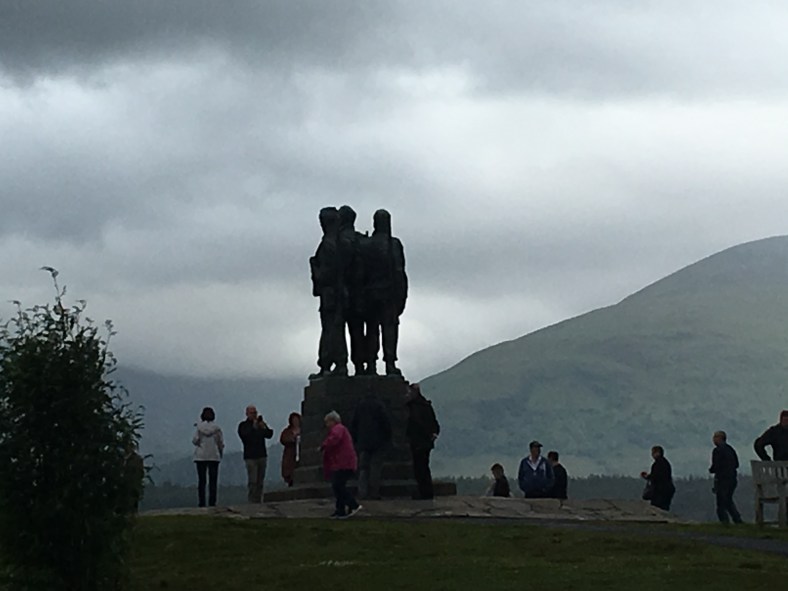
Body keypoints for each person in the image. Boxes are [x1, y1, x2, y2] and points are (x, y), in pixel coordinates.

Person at [361, 209, 408, 376]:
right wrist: (401, 296)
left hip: (370, 294)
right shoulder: (394, 244)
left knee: (371, 329)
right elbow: (399, 271)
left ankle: (371, 364)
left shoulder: (365, 245)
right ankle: (390, 363)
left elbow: (360, 273)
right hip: (388, 294)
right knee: (389, 329)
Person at [309, 207, 349, 379]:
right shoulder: (340, 243)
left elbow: (327, 274)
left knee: (332, 330)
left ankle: (332, 364)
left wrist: (314, 267)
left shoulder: (328, 244)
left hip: (332, 295)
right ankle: (334, 364)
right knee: (335, 329)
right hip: (337, 294)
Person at [350, 392, 392, 500]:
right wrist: (386, 438)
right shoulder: (379, 406)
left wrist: (355, 439)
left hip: (363, 442)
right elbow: (386, 423)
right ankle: (374, 493)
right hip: (377, 442)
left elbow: (354, 424)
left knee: (363, 468)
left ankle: (362, 492)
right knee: (375, 468)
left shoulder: (360, 406)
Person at [320, 411, 361, 518]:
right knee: (338, 486)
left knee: (338, 486)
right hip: (341, 462)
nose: (326, 425)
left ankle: (353, 505)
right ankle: (340, 510)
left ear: (333, 421)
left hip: (343, 463)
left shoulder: (338, 428)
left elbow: (334, 439)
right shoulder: (340, 429)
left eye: (327, 422)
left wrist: (324, 445)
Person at [406, 383, 440, 500]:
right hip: (424, 443)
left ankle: (424, 493)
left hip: (418, 443)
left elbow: (415, 425)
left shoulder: (413, 408)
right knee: (423, 467)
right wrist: (433, 434)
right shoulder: (426, 406)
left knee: (420, 469)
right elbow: (435, 424)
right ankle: (426, 492)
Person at [237, 405, 273, 503]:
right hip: (250, 457)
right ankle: (252, 501)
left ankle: (259, 500)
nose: (254, 415)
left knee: (260, 481)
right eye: (252, 413)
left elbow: (269, 434)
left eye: (255, 413)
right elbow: (245, 435)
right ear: (247, 414)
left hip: (262, 455)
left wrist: (263, 427)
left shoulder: (260, 425)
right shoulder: (243, 425)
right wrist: (254, 427)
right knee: (253, 481)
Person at [192, 407, 224, 508]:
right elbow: (220, 442)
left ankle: (202, 502)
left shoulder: (199, 428)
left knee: (202, 481)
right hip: (213, 455)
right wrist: (220, 452)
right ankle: (212, 502)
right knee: (213, 480)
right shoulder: (217, 428)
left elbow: (195, 441)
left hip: (201, 456)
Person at [710, 431, 743, 524]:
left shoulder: (717, 451)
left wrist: (711, 470)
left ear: (719, 438)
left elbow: (716, 466)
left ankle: (724, 521)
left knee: (721, 503)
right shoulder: (730, 449)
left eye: (715, 437)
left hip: (722, 479)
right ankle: (737, 519)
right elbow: (736, 464)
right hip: (732, 479)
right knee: (728, 500)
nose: (713, 439)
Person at [640, 445, 675, 511]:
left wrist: (648, 477)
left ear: (658, 453)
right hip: (667, 490)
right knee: (664, 508)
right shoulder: (665, 463)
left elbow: (656, 476)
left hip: (660, 491)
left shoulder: (658, 464)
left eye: (653, 453)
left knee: (657, 509)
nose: (652, 455)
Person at [279, 412, 302, 488]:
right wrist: (293, 438)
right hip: (290, 455)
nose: (295, 422)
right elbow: (283, 439)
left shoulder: (304, 429)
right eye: (294, 420)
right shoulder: (287, 431)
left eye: (297, 420)